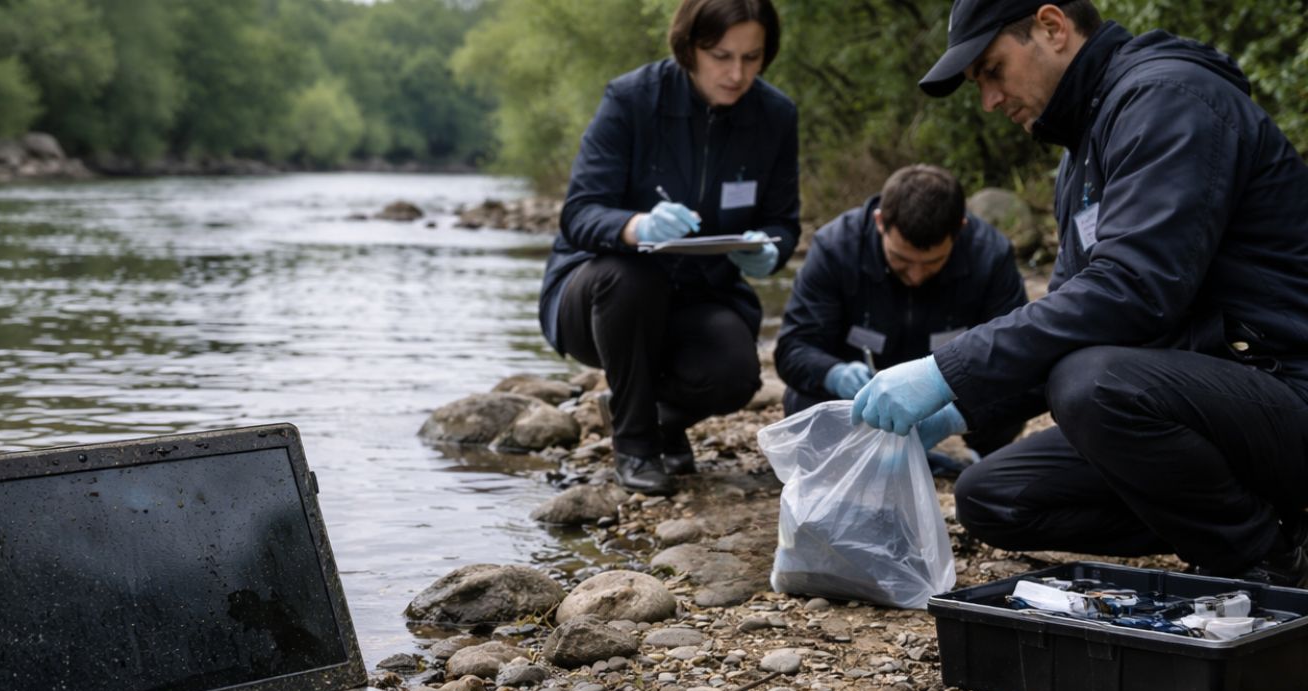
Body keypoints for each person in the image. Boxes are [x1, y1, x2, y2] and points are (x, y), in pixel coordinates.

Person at [850, 0, 1308, 584]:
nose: (989, 100)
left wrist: (944, 367)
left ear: (1051, 26)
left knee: (1092, 384)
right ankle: (1242, 517)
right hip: (1210, 408)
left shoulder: (1170, 100)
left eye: (992, 70)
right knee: (994, 496)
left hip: (1286, 389)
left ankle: (1266, 559)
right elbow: (1068, 318)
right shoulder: (1083, 152)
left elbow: (1133, 290)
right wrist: (959, 407)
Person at [540, 0, 799, 495]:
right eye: (722, 56)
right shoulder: (631, 99)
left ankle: (655, 415)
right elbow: (579, 213)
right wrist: (637, 226)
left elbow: (782, 221)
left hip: (701, 295)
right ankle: (635, 444)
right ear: (688, 48)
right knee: (631, 276)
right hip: (597, 295)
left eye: (752, 57)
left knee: (736, 373)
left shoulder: (776, 116)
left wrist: (770, 249)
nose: (737, 73)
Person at [774, 163, 1027, 467]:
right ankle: (851, 460)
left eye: (933, 262)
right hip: (861, 396)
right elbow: (793, 347)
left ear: (960, 229)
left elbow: (1017, 357)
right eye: (901, 259)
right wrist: (834, 373)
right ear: (880, 221)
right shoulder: (835, 247)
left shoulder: (992, 255)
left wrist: (953, 415)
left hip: (947, 389)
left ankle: (979, 457)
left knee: (1009, 392)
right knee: (802, 399)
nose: (916, 275)